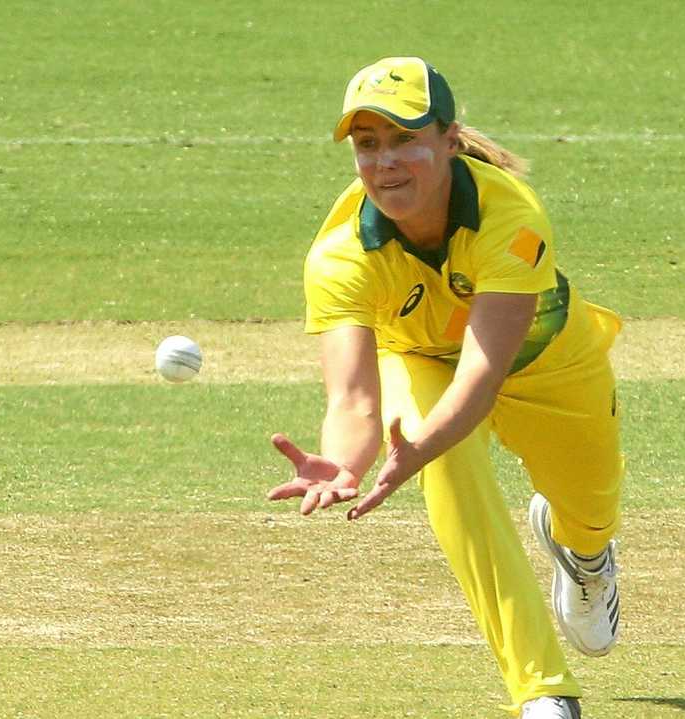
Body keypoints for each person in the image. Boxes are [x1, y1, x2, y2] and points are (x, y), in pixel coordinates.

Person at [266, 56, 624, 719]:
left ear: (449, 141)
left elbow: (483, 375)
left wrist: (421, 442)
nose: (385, 162)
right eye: (367, 145)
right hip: (424, 361)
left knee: (591, 506)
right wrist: (346, 461)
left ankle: (586, 551)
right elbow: (352, 400)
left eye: (405, 139)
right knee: (450, 476)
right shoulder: (340, 255)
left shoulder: (509, 216)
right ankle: (543, 691)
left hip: (549, 361)